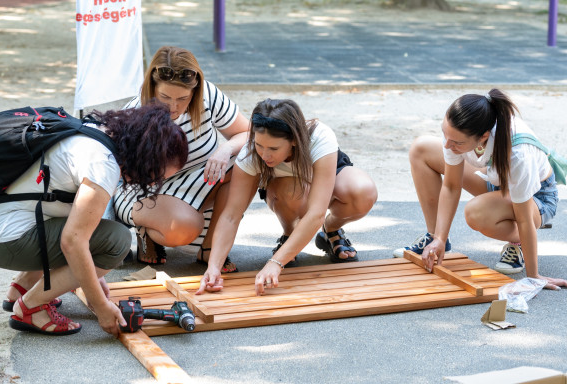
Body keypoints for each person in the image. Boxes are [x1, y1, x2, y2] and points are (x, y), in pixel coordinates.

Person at [0, 103, 188, 336]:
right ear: (148, 161)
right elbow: (73, 242)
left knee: (92, 235)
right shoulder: (103, 166)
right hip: (4, 240)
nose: (153, 184)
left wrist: (91, 277)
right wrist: (101, 306)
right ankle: (30, 307)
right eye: (158, 176)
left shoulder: (97, 132)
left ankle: (21, 289)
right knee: (117, 241)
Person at [196, 98, 378, 296]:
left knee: (363, 192)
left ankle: (331, 230)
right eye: (259, 145)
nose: (265, 155)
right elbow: (231, 215)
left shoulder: (319, 136)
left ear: (294, 139)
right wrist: (213, 267)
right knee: (293, 191)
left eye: (273, 148)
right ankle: (290, 235)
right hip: (286, 191)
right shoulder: (250, 154)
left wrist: (275, 263)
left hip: (323, 181)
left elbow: (316, 213)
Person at [394, 89, 566, 290]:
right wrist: (440, 237)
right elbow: (451, 186)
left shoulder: (519, 153)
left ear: (483, 136)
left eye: (457, 142)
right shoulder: (457, 133)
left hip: (537, 199)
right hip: (496, 181)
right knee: (420, 148)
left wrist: (533, 276)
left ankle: (517, 244)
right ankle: (435, 241)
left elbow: (524, 218)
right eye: (445, 134)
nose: (447, 145)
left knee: (476, 212)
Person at [113, 46, 249, 272]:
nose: (173, 107)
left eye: (183, 98)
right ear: (152, 87)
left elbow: (248, 133)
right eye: (165, 97)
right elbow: (116, 173)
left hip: (196, 178)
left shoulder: (208, 95)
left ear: (194, 92)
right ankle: (147, 230)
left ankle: (210, 247)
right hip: (144, 190)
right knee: (184, 227)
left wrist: (225, 149)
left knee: (247, 161)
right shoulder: (136, 111)